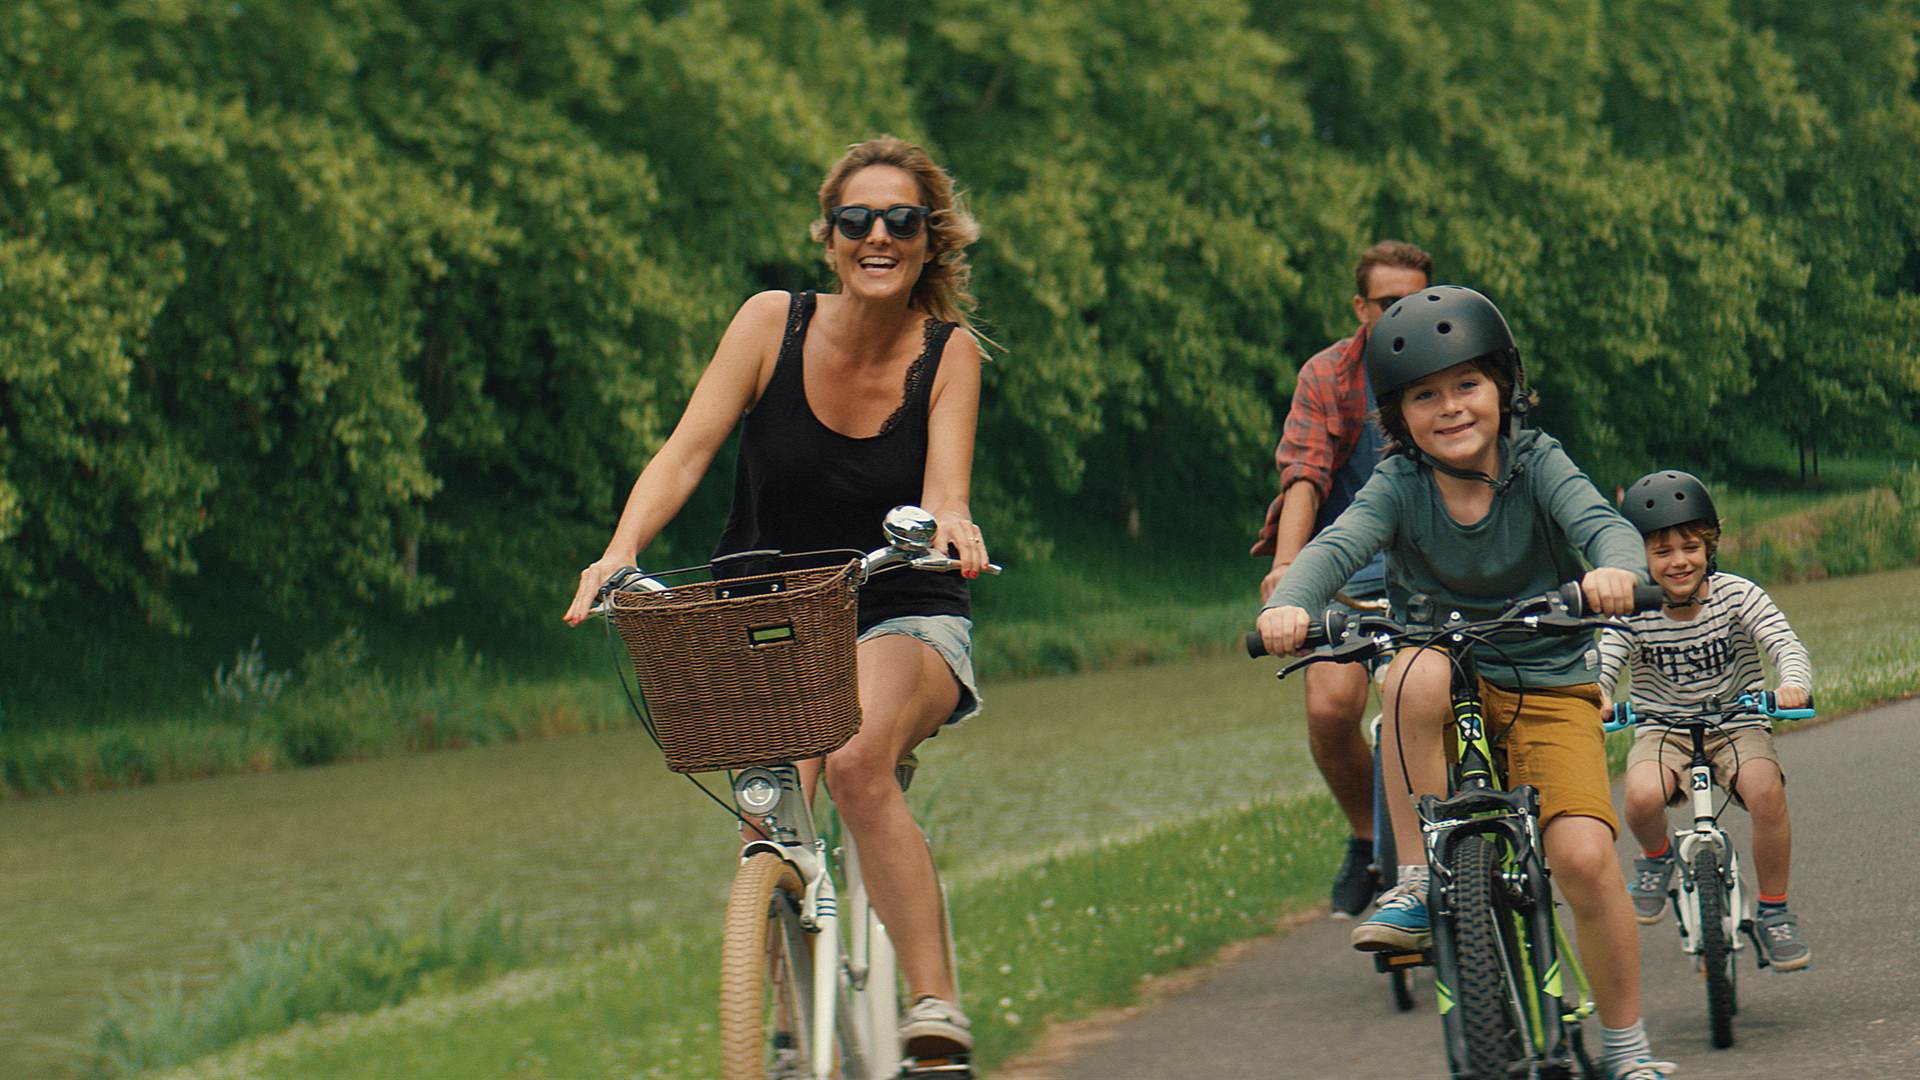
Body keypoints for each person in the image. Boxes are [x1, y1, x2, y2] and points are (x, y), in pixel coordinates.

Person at [562, 136, 991, 1058]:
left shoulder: (950, 355)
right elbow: (684, 453)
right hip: (768, 619)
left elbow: (946, 488)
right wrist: (619, 551)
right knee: (769, 812)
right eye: (856, 220)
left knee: (853, 764)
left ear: (928, 241)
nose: (877, 235)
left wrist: (954, 524)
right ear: (830, 237)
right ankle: (788, 1043)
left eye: (900, 220)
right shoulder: (769, 323)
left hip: (896, 602)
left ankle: (934, 1009)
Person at [1254, 286, 1674, 1080]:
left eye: (1466, 385)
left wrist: (1617, 572)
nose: (1449, 408)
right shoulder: (1398, 483)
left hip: (1546, 676)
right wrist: (1294, 603)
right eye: (1424, 396)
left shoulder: (1536, 460)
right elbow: (1337, 547)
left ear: (1504, 388)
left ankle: (1628, 1047)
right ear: (1396, 413)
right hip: (1439, 675)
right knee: (1410, 670)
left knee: (1584, 859)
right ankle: (1415, 876)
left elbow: (1601, 524)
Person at [1253, 240, 1433, 916]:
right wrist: (1287, 570)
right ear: (1362, 308)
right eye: (1389, 304)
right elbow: (1303, 472)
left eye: (1416, 301)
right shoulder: (1329, 374)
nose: (1403, 315)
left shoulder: (1455, 363)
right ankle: (1369, 837)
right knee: (1331, 712)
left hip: (1439, 564)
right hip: (1347, 568)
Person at [1599, 470, 1814, 971]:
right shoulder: (1632, 610)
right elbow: (1603, 666)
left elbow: (1785, 644)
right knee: (1641, 796)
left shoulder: (1738, 595)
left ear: (1709, 545)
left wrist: (1792, 684)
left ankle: (1774, 911)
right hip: (1662, 726)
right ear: (1640, 558)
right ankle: (1655, 858)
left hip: (1736, 721)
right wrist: (1600, 698)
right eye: (1661, 551)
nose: (1678, 561)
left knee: (1765, 791)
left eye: (1690, 546)